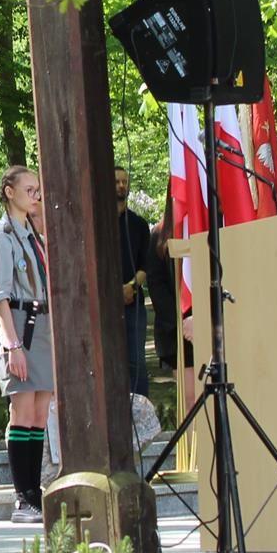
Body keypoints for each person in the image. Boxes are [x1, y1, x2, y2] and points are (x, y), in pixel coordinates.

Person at [0, 166, 55, 522]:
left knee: (41, 414)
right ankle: (22, 495)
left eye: (38, 189)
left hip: (43, 325)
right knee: (22, 411)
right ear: (9, 191)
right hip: (19, 326)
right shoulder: (2, 236)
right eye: (29, 189)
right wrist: (12, 344)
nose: (36, 195)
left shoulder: (34, 234)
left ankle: (36, 492)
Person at [116, 168, 155, 398]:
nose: (122, 186)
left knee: (136, 361)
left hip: (133, 301)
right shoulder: (96, 223)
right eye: (117, 182)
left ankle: (140, 414)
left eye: (124, 182)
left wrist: (131, 287)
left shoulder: (139, 224)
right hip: (103, 304)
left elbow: (145, 265)